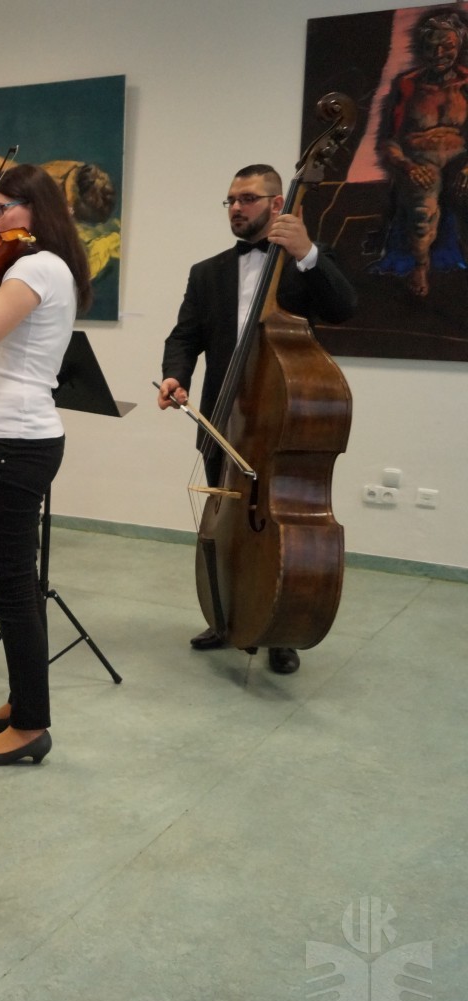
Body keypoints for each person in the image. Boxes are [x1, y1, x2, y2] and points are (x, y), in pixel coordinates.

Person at [157, 164, 357, 675]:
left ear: (276, 203)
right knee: (225, 529)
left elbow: (344, 308)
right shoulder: (207, 272)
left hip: (278, 422)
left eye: (247, 198)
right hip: (224, 420)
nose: (236, 207)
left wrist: (306, 252)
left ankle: (277, 632)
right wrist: (175, 375)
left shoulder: (309, 261)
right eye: (230, 199)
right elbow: (185, 335)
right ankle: (224, 617)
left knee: (275, 530)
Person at [0, 165, 93, 766]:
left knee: (11, 584)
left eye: (0, 210)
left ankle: (31, 725)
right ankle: (21, 701)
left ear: (34, 210)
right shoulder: (47, 266)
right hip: (17, 434)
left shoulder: (35, 267)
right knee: (16, 582)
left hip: (13, 439)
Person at [374, 8, 468, 298]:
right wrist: (408, 166)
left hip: (460, 160)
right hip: (420, 161)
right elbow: (388, 141)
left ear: (459, 46)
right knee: (422, 210)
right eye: (431, 46)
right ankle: (421, 265)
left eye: (447, 46)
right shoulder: (408, 84)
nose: (439, 53)